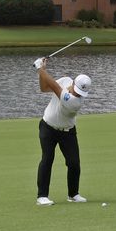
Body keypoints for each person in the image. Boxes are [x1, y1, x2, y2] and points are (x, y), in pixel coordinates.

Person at [33, 56, 91, 206]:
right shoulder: (65, 80)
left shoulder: (75, 102)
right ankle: (42, 196)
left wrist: (41, 69)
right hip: (48, 127)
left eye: (81, 93)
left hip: (67, 131)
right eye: (77, 90)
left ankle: (73, 194)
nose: (78, 94)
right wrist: (42, 73)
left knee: (74, 163)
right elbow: (45, 87)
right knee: (47, 158)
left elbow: (54, 86)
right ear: (73, 83)